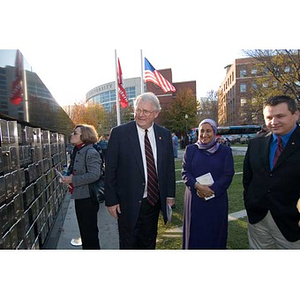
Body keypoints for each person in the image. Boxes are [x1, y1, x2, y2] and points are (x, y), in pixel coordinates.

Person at [105, 92, 176, 249]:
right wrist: (111, 200)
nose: (140, 115)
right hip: (127, 202)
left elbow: (169, 168)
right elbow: (110, 170)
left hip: (152, 202)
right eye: (138, 110)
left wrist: (170, 194)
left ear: (156, 113)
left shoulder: (164, 135)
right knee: (128, 244)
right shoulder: (119, 134)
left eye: (146, 111)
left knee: (148, 242)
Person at [243, 95, 300, 249]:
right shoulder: (256, 143)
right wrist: (250, 204)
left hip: (292, 224)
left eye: (280, 116)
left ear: (296, 114)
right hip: (258, 219)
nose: (274, 122)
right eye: (269, 117)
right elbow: (248, 179)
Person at [182, 119, 234, 249]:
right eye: (202, 131)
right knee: (194, 234)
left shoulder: (224, 151)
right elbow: (185, 172)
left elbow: (228, 174)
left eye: (208, 131)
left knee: (215, 234)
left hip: (216, 199)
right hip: (195, 199)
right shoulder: (190, 150)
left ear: (215, 132)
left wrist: (211, 190)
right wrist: (197, 186)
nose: (205, 134)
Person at [61, 124, 102, 249]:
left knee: (89, 233)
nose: (72, 135)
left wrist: (73, 179)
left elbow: (95, 174)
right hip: (80, 196)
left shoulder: (90, 152)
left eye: (75, 133)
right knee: (85, 231)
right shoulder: (78, 150)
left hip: (88, 198)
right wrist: (66, 177)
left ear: (84, 136)